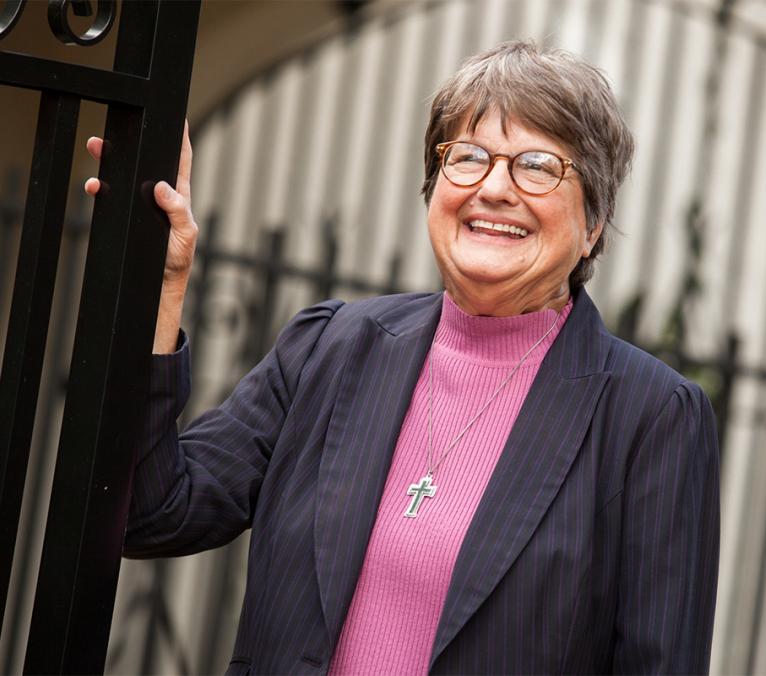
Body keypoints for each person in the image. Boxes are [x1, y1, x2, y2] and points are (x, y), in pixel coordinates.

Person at [87, 41, 720, 674]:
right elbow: (149, 513)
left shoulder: (652, 417)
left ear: (594, 223)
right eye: (468, 157)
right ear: (434, 188)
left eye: (536, 165)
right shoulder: (329, 347)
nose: (494, 188)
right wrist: (161, 287)